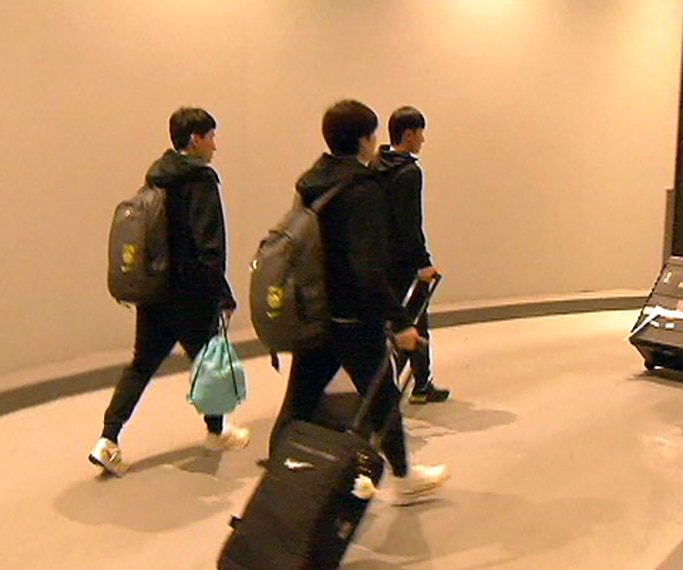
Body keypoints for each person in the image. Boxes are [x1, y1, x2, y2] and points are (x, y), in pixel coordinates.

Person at [268, 100, 449, 505]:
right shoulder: (360, 189)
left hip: (316, 310)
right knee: (382, 394)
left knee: (301, 395)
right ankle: (403, 477)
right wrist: (401, 322)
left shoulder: (310, 181)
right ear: (365, 139)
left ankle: (278, 469)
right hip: (353, 317)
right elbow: (366, 265)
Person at [89, 107, 249, 476]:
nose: (215, 145)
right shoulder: (200, 180)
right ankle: (216, 433)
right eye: (211, 136)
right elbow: (210, 247)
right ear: (194, 139)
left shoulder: (157, 177)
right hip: (190, 294)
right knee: (209, 363)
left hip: (155, 291)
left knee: (141, 364)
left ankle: (107, 439)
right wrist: (221, 295)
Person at [370, 106, 449, 404]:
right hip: (403, 263)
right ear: (408, 134)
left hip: (378, 260)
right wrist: (424, 263)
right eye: (420, 133)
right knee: (415, 321)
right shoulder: (409, 172)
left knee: (386, 323)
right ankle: (420, 384)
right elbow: (410, 225)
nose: (423, 140)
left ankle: (384, 384)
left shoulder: (375, 165)